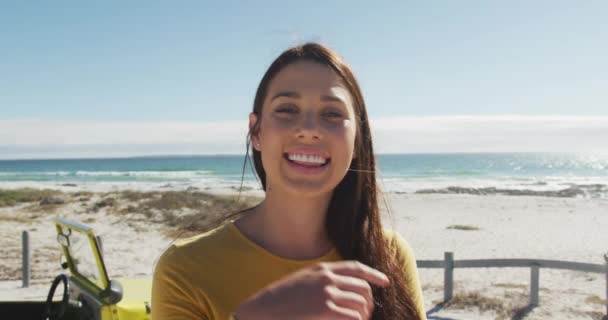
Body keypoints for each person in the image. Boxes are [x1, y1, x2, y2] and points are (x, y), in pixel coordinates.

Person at [151, 42, 426, 320]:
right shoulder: (186, 268)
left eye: (332, 114)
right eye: (287, 110)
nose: (308, 130)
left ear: (357, 141)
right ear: (256, 132)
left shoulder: (388, 255)